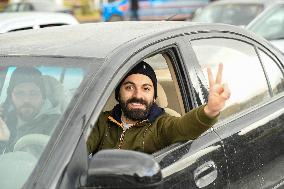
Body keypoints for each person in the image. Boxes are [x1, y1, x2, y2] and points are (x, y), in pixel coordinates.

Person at [87, 61, 230, 154]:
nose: (138, 95)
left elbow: (183, 127)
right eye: (129, 87)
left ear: (154, 97)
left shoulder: (161, 125)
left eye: (146, 89)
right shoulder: (101, 121)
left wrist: (210, 110)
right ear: (118, 93)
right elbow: (77, 147)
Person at [0, 67, 61, 152]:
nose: (26, 100)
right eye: (20, 93)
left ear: (42, 97)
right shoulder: (5, 120)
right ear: (11, 97)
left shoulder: (59, 125)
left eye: (34, 93)